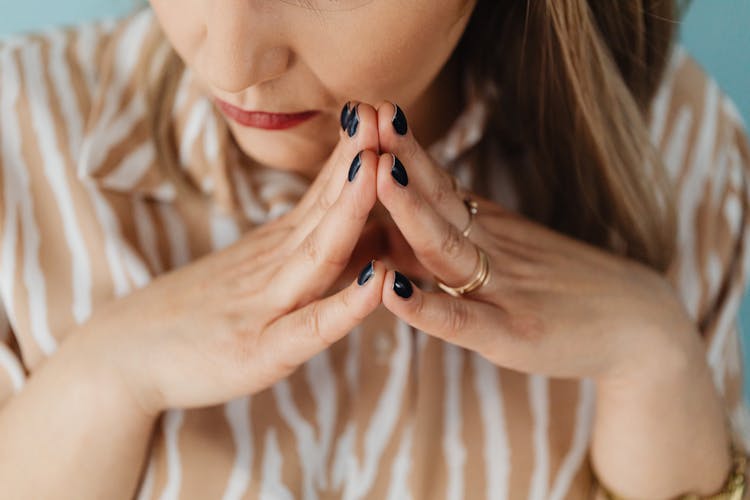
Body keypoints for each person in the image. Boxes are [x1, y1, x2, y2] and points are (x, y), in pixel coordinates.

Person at [0, 0, 748, 498]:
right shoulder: (19, 139)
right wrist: (102, 382)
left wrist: (657, 357)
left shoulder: (681, 158)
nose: (229, 60)